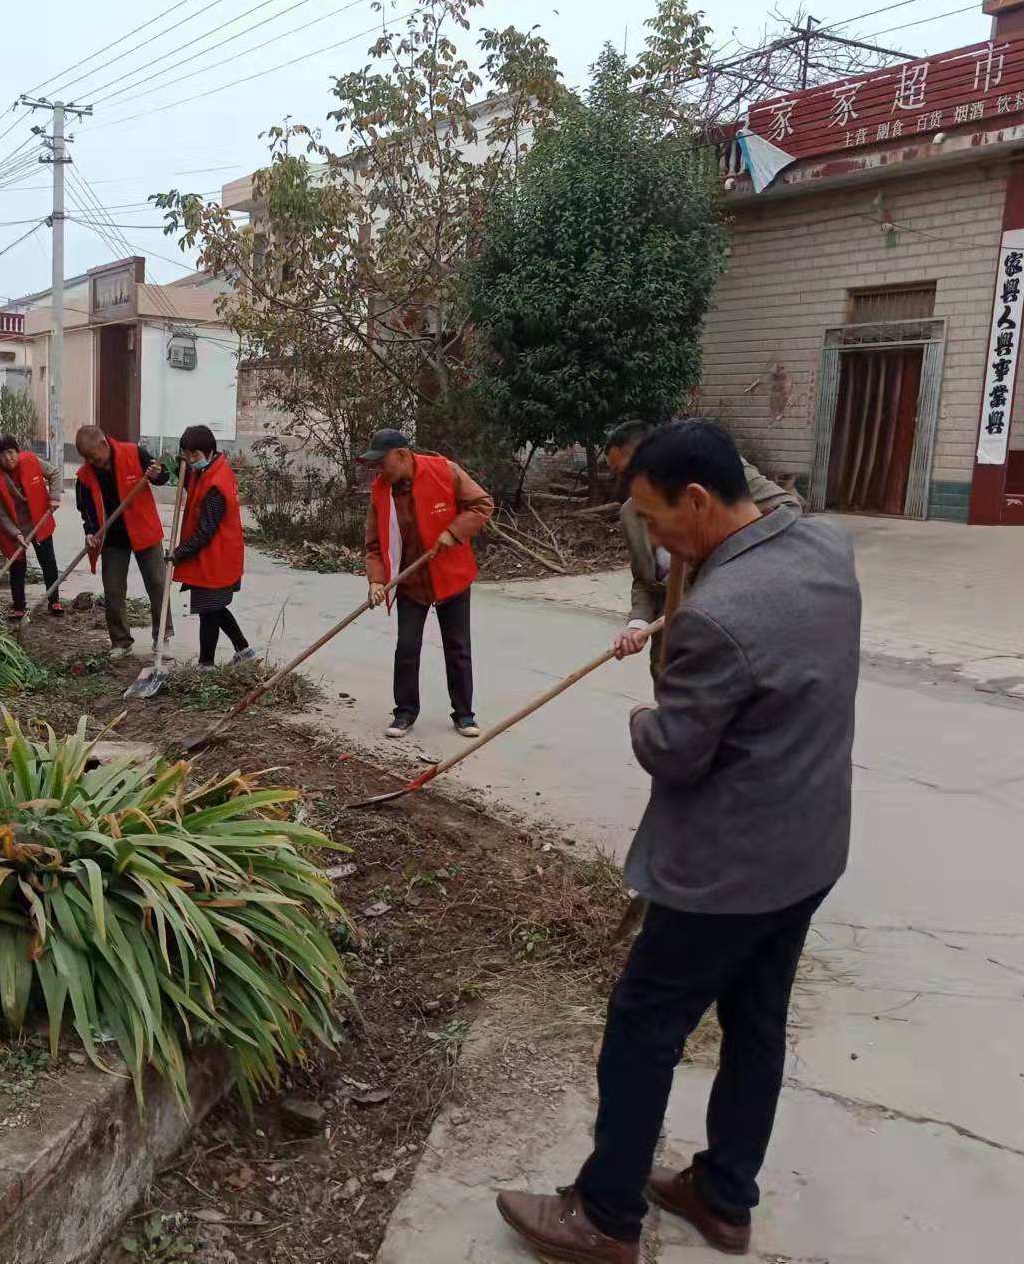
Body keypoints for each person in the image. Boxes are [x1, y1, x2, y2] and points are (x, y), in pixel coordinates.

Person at [496, 420, 861, 1264]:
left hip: (726, 868)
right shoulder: (827, 550)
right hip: (810, 848)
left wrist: (642, 717)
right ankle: (726, 1195)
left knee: (643, 1022)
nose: (652, 538)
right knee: (756, 1020)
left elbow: (677, 752)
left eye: (656, 519)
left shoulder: (718, 616)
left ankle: (606, 1216)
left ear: (699, 499)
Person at [607, 420, 801, 677]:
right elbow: (645, 581)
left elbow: (788, 510)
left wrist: (722, 570)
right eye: (617, 473)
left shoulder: (711, 470)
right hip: (670, 649)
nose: (622, 481)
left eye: (626, 470)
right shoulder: (630, 513)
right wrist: (637, 625)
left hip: (725, 637)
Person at [360, 428, 494, 739]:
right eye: (376, 464)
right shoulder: (381, 491)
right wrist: (377, 581)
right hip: (410, 581)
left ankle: (464, 714)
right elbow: (374, 545)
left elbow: (482, 504)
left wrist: (453, 532)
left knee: (458, 647)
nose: (380, 469)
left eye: (383, 462)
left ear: (402, 455)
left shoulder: (444, 471)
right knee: (406, 647)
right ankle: (404, 713)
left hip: (451, 575)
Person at [74, 424, 170, 656]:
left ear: (104, 444)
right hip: (112, 539)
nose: (91, 461)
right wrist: (90, 531)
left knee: (158, 583)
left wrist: (159, 475)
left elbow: (162, 475)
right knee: (113, 590)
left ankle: (162, 635)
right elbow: (85, 509)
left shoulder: (134, 453)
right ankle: (120, 641)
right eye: (86, 458)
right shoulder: (85, 475)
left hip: (143, 529)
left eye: (93, 456)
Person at [169, 425, 255, 666]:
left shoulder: (217, 485)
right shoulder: (209, 469)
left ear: (209, 451)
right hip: (216, 556)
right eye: (186, 454)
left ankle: (206, 665)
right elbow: (194, 487)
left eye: (194, 455)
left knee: (209, 611)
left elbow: (205, 532)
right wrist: (180, 470)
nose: (190, 459)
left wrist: (178, 554)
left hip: (217, 557)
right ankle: (244, 651)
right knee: (215, 607)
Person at [0, 435, 64, 622]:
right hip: (14, 526)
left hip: (39, 520)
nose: (8, 458)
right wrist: (16, 533)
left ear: (17, 452)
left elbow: (55, 474)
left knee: (48, 562)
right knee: (17, 567)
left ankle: (54, 600)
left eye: (11, 453)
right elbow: (0, 512)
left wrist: (54, 497)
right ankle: (19, 606)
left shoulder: (32, 461)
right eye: (2, 455)